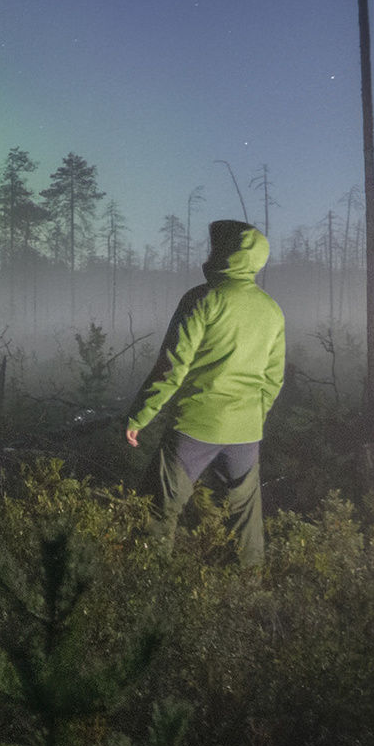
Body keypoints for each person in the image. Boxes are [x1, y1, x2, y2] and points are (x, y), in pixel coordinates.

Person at [123, 219, 284, 567]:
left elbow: (172, 366)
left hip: (196, 425)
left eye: (215, 247)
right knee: (244, 521)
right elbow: (273, 378)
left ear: (224, 254)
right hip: (246, 431)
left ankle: (143, 587)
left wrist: (140, 416)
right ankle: (248, 596)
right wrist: (252, 414)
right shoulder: (271, 311)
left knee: (157, 510)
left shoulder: (202, 299)